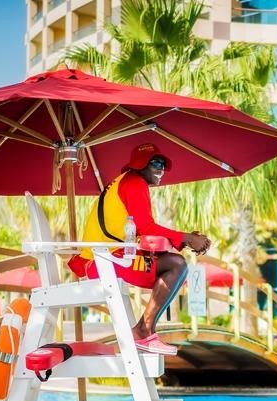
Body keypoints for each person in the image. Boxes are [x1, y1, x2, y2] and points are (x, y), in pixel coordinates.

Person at [67, 143, 211, 356]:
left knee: (174, 264)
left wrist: (184, 239)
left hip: (107, 257)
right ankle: (144, 331)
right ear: (140, 164)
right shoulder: (134, 183)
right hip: (102, 262)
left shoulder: (127, 181)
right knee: (177, 265)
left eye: (162, 164)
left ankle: (144, 330)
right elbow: (146, 227)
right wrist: (186, 238)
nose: (161, 169)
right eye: (156, 163)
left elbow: (141, 232)